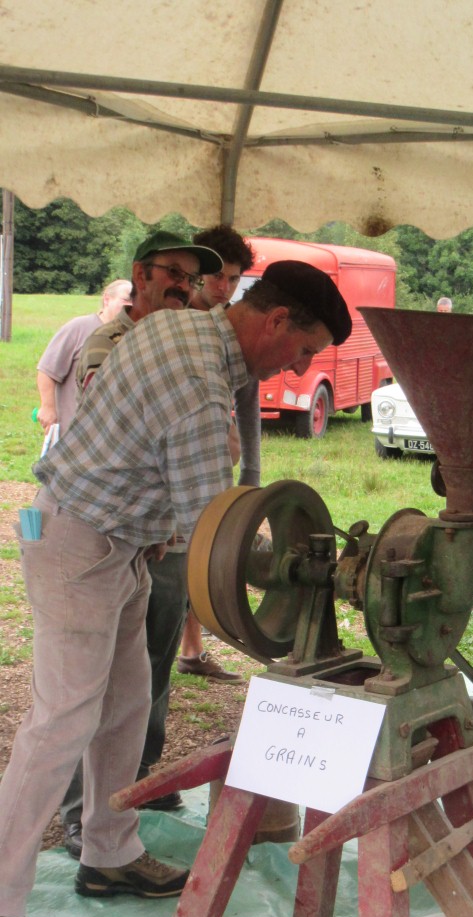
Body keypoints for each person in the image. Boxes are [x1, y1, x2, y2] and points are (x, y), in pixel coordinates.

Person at [0, 259, 351, 917]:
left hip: (121, 541)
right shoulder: (198, 382)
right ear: (275, 320)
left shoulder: (187, 329)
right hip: (75, 542)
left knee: (128, 702)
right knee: (61, 720)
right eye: (304, 349)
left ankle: (108, 853)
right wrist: (298, 566)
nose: (299, 367)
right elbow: (216, 531)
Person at [58, 230, 226, 856]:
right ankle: (80, 812)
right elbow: (140, 431)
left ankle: (136, 786)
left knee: (150, 673)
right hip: (118, 535)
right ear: (141, 275)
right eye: (173, 273)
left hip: (172, 537)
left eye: (193, 278)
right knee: (96, 685)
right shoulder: (111, 343)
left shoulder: (194, 346)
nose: (185, 286)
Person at [174, 224, 259, 684]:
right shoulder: (171, 319)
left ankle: (191, 648)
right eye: (217, 276)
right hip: (173, 459)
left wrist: (252, 475)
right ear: (198, 273)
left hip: (213, 459)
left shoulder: (235, 330)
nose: (224, 287)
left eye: (233, 279)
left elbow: (249, 402)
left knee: (197, 551)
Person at [35, 279, 131, 440]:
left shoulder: (133, 336)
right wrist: (47, 407)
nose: (131, 305)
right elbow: (47, 370)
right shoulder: (78, 328)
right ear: (107, 299)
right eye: (126, 300)